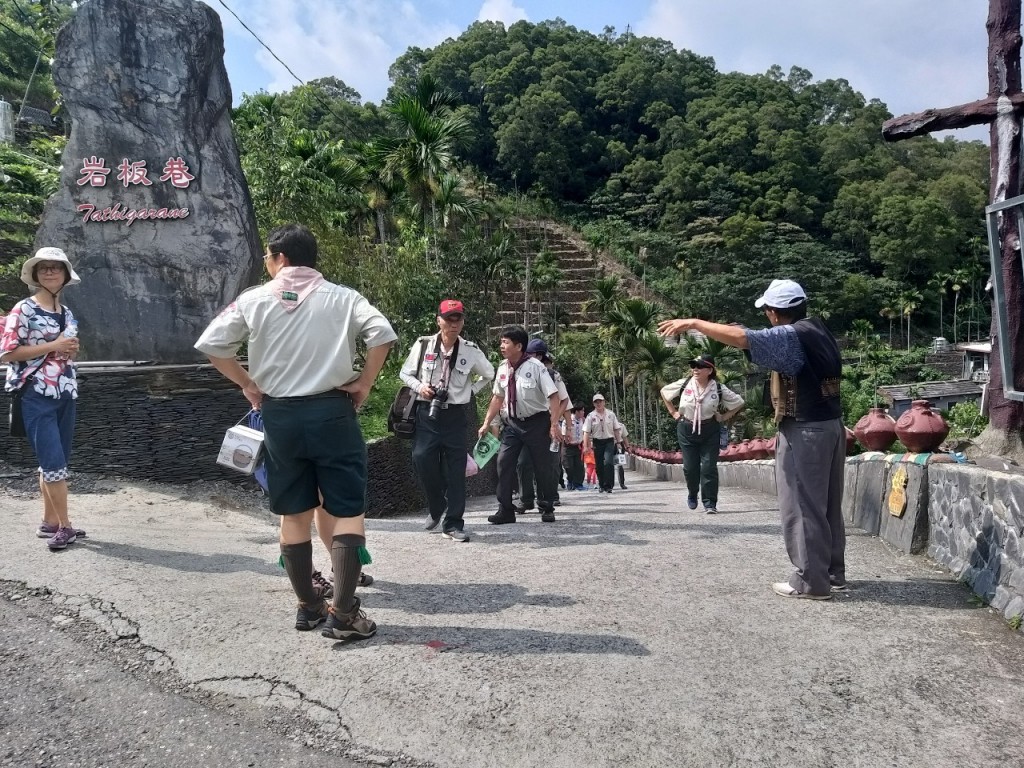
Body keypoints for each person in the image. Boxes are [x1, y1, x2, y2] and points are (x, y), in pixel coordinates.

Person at [195, 223, 397, 639]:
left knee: (294, 512)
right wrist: (363, 382)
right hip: (332, 412)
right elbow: (382, 334)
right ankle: (343, 615)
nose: (267, 265)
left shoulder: (254, 299)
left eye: (268, 258)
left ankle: (308, 608)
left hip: (280, 416)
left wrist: (248, 384)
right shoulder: (344, 298)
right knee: (346, 510)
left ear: (280, 257)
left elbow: (213, 345)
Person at [658, 279, 845, 600]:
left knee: (802, 505)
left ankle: (811, 582)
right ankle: (832, 573)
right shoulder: (817, 329)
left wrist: (694, 323)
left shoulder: (792, 336)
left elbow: (746, 339)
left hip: (805, 429)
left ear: (774, 313)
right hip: (831, 425)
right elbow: (757, 339)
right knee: (827, 504)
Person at [1, 247, 85, 551]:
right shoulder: (23, 309)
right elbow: (8, 352)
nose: (49, 272)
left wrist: (68, 348)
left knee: (56, 461)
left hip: (65, 392)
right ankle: (66, 527)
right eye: (44, 268)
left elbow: (69, 349)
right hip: (35, 394)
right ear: (35, 275)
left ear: (65, 274)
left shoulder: (66, 313)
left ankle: (49, 522)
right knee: (52, 463)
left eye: (56, 267)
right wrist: (54, 345)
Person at [400, 299, 494, 542]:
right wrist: (420, 387)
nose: (454, 323)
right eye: (449, 318)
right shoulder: (423, 345)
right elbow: (405, 372)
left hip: (454, 414)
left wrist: (469, 391)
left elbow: (489, 373)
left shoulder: (470, 349)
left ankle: (453, 523)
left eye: (458, 319)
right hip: (426, 411)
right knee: (421, 457)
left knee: (455, 469)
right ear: (438, 320)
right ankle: (436, 504)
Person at [478, 326, 562, 524]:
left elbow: (554, 396)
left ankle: (546, 506)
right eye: (501, 342)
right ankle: (505, 509)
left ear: (519, 346)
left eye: (506, 342)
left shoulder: (536, 367)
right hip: (512, 424)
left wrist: (553, 424)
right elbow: (497, 398)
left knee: (543, 467)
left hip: (537, 423)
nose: (501, 346)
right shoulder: (502, 368)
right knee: (503, 463)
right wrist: (486, 423)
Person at [660, 354, 744, 514]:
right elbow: (664, 392)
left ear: (709, 370)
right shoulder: (685, 384)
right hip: (686, 428)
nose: (695, 369)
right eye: (693, 366)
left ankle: (710, 503)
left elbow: (739, 402)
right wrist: (673, 413)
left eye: (699, 366)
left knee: (709, 467)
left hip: (710, 429)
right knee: (690, 468)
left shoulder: (718, 388)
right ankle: (692, 493)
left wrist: (723, 416)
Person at [514, 339, 570, 512]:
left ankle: (549, 498)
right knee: (523, 462)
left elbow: (564, 399)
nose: (528, 357)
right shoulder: (519, 371)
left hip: (549, 424)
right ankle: (526, 499)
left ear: (540, 356)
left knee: (550, 463)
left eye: (531, 354)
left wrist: (556, 421)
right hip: (527, 423)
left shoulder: (553, 375)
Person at [582, 393, 623, 493]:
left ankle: (609, 485)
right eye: (596, 402)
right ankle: (601, 484)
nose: (598, 403)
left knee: (608, 462)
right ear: (593, 404)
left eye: (600, 401)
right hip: (597, 442)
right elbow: (586, 432)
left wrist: (619, 442)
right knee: (599, 464)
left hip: (609, 441)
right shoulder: (590, 416)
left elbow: (616, 429)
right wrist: (585, 446)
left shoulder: (611, 414)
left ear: (604, 402)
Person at [563, 403, 587, 490]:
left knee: (579, 466)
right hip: (568, 446)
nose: (583, 412)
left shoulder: (583, 421)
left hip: (578, 446)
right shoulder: (568, 420)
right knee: (569, 466)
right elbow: (564, 433)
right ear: (576, 411)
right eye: (582, 411)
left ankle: (578, 484)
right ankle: (570, 481)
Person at [616, 423, 631, 490]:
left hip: (620, 445)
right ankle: (608, 484)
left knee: (620, 465)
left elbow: (624, 437)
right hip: (609, 444)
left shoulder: (621, 425)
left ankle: (622, 483)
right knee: (608, 465)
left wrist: (627, 447)